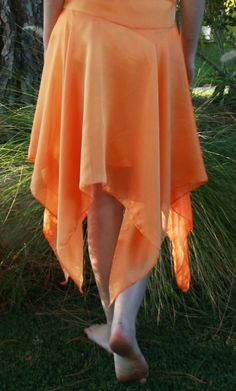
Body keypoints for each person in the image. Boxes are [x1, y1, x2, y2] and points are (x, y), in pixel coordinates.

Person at [28, 0, 208, 384]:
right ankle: (123, 323)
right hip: (151, 45)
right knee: (146, 184)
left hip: (85, 34)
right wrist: (187, 52)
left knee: (101, 194)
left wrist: (51, 46)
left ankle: (114, 327)